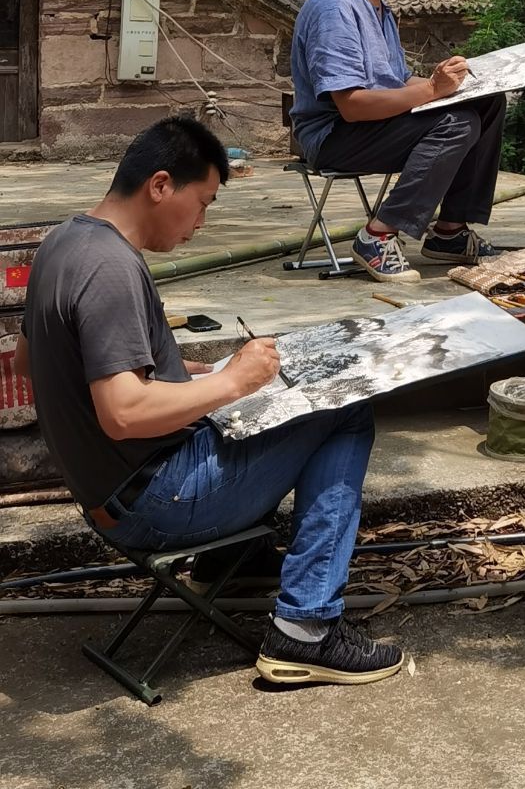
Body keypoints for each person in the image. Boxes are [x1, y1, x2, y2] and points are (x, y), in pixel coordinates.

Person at [16, 114, 403, 690]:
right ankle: (307, 629)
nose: (201, 222)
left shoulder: (66, 241)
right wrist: (234, 382)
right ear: (161, 184)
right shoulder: (111, 267)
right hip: (155, 501)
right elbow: (122, 414)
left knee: (274, 407)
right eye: (203, 203)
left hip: (111, 494)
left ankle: (230, 562)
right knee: (344, 409)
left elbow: (29, 362)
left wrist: (189, 372)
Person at [288, 0, 506, 283]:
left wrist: (444, 83)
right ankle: (377, 235)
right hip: (333, 136)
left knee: (486, 102)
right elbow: (352, 105)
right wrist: (431, 92)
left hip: (372, 125)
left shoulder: (378, 8)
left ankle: (449, 233)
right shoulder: (334, 7)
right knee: (456, 124)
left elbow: (398, 81)